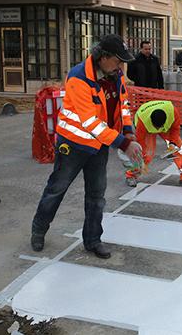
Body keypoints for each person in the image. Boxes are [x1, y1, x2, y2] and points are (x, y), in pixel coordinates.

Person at [31, 35, 143, 259]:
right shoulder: (79, 78)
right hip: (73, 145)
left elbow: (123, 105)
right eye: (118, 60)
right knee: (57, 189)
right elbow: (90, 122)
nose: (121, 66)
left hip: (99, 144)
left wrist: (128, 130)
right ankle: (38, 230)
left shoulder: (116, 76)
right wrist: (124, 143)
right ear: (103, 57)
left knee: (96, 195)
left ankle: (92, 240)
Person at [124, 100, 182, 188]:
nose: (158, 129)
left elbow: (175, 129)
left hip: (166, 128)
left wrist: (173, 143)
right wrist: (142, 159)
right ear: (151, 121)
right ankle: (131, 175)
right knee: (146, 154)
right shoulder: (142, 121)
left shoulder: (172, 112)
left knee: (178, 149)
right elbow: (140, 142)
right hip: (147, 130)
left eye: (159, 127)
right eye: (156, 127)